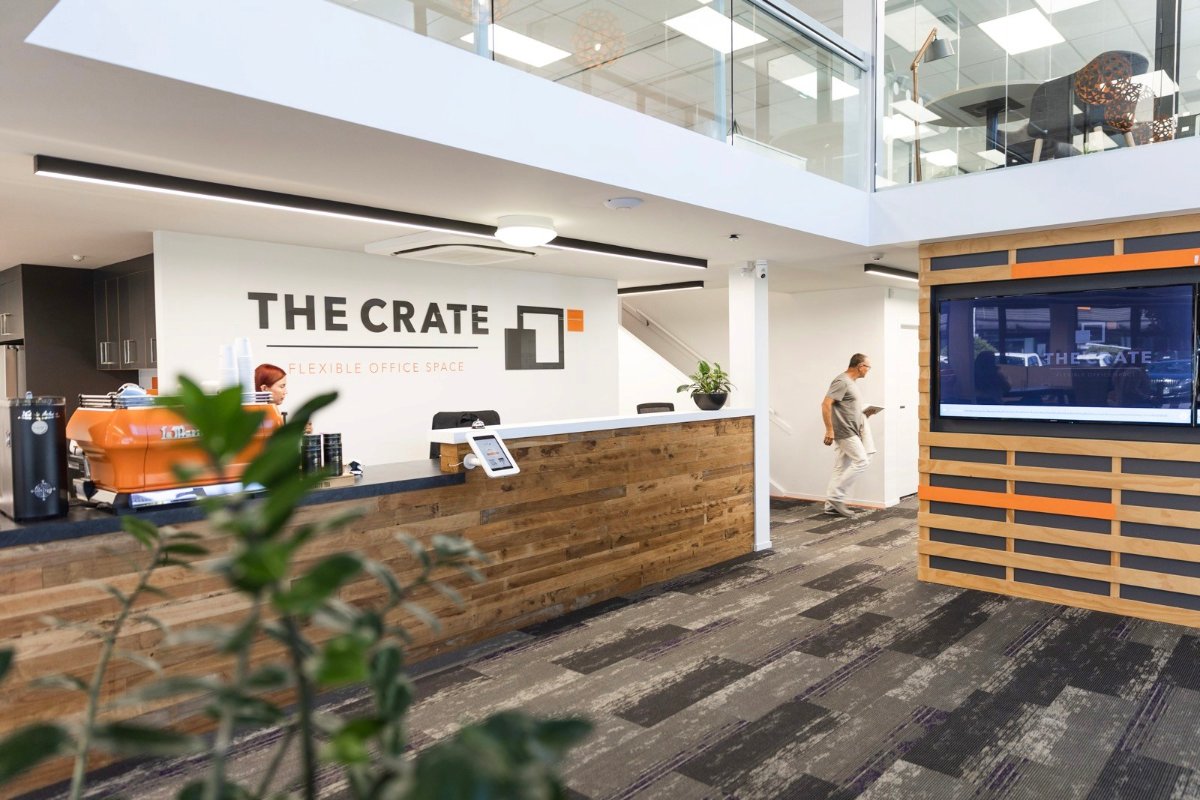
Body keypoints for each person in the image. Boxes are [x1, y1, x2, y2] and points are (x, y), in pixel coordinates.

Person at [821, 353, 879, 518]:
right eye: (868, 367)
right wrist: (829, 430)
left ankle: (830, 506)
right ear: (860, 366)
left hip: (851, 429)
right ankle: (836, 496)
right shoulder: (842, 381)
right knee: (862, 461)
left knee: (840, 468)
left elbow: (847, 408)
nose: (868, 371)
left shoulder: (851, 383)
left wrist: (866, 413)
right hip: (844, 431)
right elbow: (825, 404)